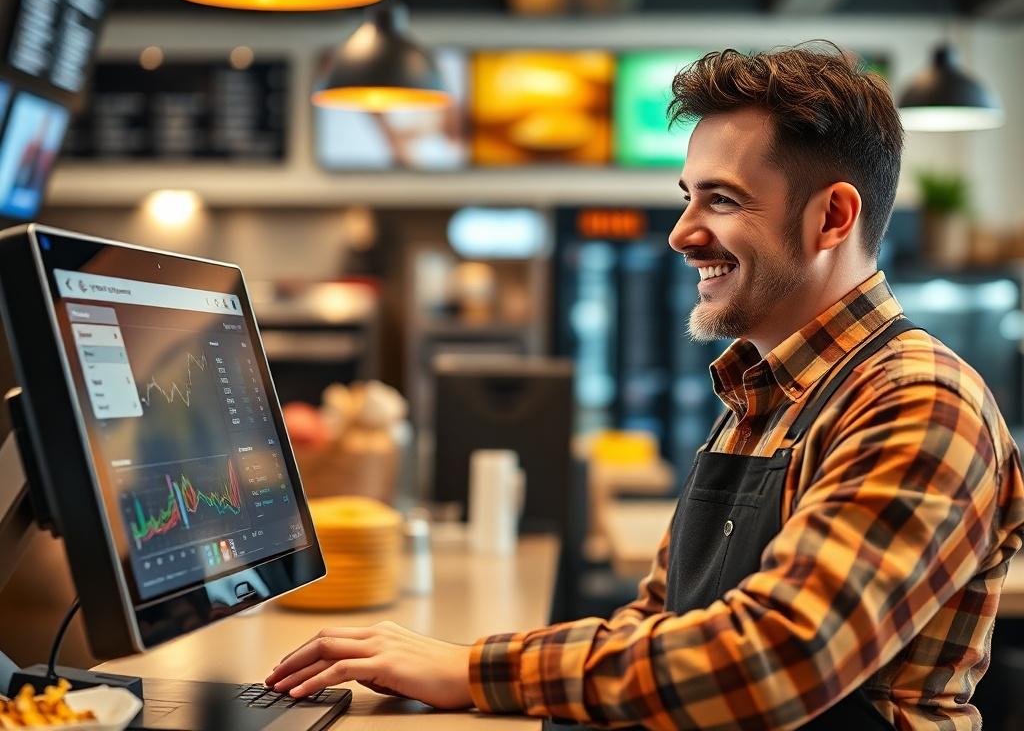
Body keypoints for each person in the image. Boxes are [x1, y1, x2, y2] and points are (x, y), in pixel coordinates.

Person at [265, 45, 1024, 729]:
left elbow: (783, 657)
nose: (681, 231)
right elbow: (657, 624)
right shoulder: (756, 401)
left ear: (832, 217)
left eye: (721, 200)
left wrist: (472, 669)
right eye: (688, 195)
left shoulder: (919, 400)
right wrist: (467, 664)